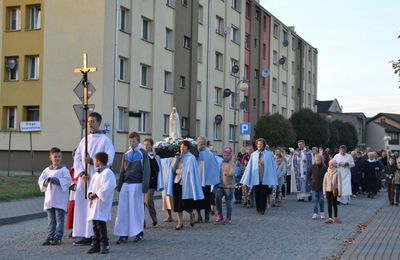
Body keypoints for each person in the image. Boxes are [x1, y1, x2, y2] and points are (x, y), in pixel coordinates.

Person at [73, 112, 115, 246]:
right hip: (84, 179)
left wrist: (92, 163)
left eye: (93, 121)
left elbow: (108, 160)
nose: (90, 124)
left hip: (97, 178)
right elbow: (78, 158)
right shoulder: (84, 140)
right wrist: (81, 173)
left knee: (93, 207)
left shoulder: (105, 141)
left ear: (99, 123)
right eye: (88, 121)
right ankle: (84, 234)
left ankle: (94, 235)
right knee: (82, 206)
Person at [114, 132, 150, 244]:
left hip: (137, 184)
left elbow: (146, 170)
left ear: (138, 141)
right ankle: (123, 233)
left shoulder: (143, 153)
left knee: (136, 210)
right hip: (126, 184)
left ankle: (139, 232)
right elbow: (122, 170)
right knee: (123, 210)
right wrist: (120, 184)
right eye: (130, 141)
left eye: (134, 141)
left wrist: (145, 186)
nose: (132, 143)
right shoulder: (126, 153)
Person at [38, 147, 72, 245]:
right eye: (55, 157)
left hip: (59, 199)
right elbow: (40, 180)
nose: (57, 158)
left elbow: (68, 181)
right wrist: (46, 181)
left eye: (59, 156)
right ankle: (50, 236)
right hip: (49, 199)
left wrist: (56, 181)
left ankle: (58, 236)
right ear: (51, 158)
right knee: (51, 220)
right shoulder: (46, 170)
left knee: (59, 219)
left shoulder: (64, 170)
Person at [167, 140, 204, 230]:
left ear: (188, 148)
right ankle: (180, 223)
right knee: (178, 204)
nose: (182, 149)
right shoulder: (179, 157)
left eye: (184, 147)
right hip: (177, 182)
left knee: (187, 204)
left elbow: (190, 172)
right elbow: (172, 169)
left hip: (187, 184)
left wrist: (178, 171)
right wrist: (176, 159)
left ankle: (191, 214)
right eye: (181, 147)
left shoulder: (191, 158)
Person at [86, 152, 116, 254]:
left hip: (102, 203)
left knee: (101, 224)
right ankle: (96, 244)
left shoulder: (108, 173)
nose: (93, 162)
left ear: (98, 161)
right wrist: (90, 193)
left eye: (94, 160)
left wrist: (96, 194)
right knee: (95, 224)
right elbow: (91, 186)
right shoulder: (96, 174)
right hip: (94, 203)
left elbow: (108, 187)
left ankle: (105, 244)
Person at [240, 138, 278, 215]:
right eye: (258, 144)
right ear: (256, 145)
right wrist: (247, 177)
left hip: (265, 176)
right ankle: (258, 208)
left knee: (263, 193)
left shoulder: (268, 154)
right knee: (257, 193)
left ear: (264, 145)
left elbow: (272, 166)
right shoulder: (254, 154)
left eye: (261, 144)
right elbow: (250, 167)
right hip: (256, 177)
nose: (260, 145)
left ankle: (262, 209)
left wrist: (272, 177)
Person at [195, 136, 220, 223]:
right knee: (196, 199)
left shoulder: (209, 154)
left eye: (203, 144)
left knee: (206, 199)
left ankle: (206, 216)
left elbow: (213, 167)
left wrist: (212, 178)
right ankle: (199, 216)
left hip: (206, 181)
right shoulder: (195, 153)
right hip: (197, 180)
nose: (202, 145)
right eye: (200, 144)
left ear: (206, 144)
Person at [143, 138, 164, 226]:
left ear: (151, 146)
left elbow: (157, 168)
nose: (146, 146)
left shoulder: (155, 156)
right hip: (141, 182)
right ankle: (141, 221)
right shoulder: (141, 155)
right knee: (140, 202)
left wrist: (152, 159)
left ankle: (153, 216)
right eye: (144, 144)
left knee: (148, 201)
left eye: (148, 145)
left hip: (150, 182)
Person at [215, 147, 236, 224]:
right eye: (224, 155)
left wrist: (228, 173)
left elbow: (233, 171)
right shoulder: (221, 163)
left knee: (228, 202)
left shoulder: (231, 164)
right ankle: (219, 215)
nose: (225, 156)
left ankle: (228, 217)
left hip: (229, 186)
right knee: (217, 200)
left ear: (230, 156)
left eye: (227, 155)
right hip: (220, 185)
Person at [308, 154, 327, 220]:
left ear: (321, 160)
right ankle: (315, 213)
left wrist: (326, 185)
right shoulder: (312, 167)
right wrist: (310, 182)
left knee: (321, 200)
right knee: (315, 200)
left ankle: (322, 212)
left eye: (318, 160)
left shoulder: (325, 168)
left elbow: (326, 177)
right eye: (316, 160)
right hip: (314, 187)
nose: (317, 161)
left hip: (322, 187)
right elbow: (309, 175)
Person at [66, 149, 78, 238]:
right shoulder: (71, 169)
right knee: (73, 212)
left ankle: (79, 229)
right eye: (75, 156)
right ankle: (74, 229)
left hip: (81, 193)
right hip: (73, 194)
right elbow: (67, 179)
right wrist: (71, 185)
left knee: (80, 212)